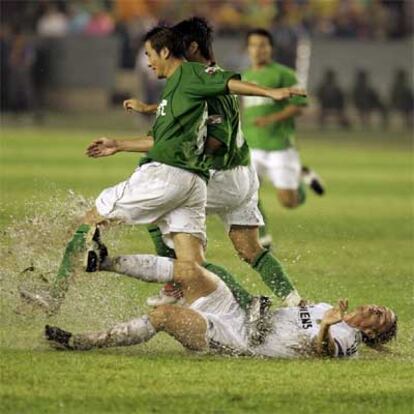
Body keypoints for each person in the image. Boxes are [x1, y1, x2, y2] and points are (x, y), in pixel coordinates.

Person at [21, 25, 306, 314]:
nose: (148, 61)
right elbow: (178, 115)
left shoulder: (197, 74)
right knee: (200, 262)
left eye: (150, 53)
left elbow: (220, 112)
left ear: (186, 48)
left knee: (96, 219)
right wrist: (130, 131)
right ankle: (271, 305)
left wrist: (272, 93)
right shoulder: (183, 84)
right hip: (220, 177)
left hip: (202, 175)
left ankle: (54, 295)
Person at [120, 18, 303, 313]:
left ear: (191, 47)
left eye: (177, 47)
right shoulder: (205, 78)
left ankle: (183, 285)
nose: (172, 54)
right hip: (244, 175)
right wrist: (152, 108)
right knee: (250, 249)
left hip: (223, 176)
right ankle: (297, 302)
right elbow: (192, 105)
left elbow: (218, 137)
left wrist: (184, 158)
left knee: (160, 208)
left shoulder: (205, 78)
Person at [45, 246, 397, 358]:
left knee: (165, 315)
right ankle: (102, 261)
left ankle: (82, 342)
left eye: (384, 319)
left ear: (370, 334)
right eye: (383, 308)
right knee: (191, 270)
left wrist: (325, 326)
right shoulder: (325, 307)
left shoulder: (347, 340)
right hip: (244, 316)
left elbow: (322, 352)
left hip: (239, 340)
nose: (379, 310)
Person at [242, 28, 325, 248]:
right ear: (247, 49)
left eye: (263, 45)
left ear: (271, 49)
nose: (258, 50)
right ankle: (263, 236)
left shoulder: (284, 74)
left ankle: (301, 177)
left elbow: (299, 106)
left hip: (279, 146)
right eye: (254, 45)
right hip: (252, 145)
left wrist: (272, 119)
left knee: (288, 202)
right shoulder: (246, 76)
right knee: (246, 192)